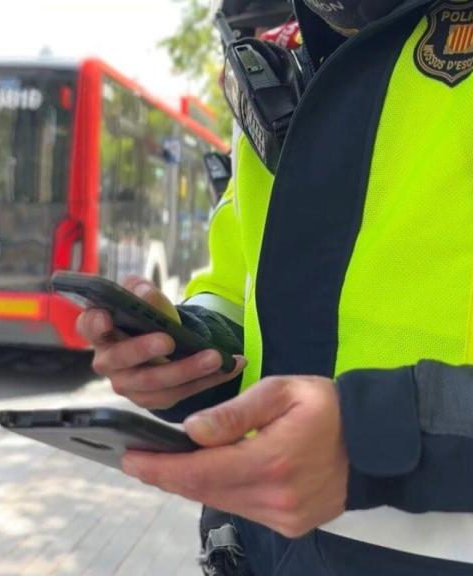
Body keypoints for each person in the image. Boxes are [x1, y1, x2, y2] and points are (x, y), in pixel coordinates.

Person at [78, 0, 473, 574]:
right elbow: (238, 279)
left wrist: (376, 437)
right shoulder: (280, 54)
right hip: (261, 547)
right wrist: (190, 351)